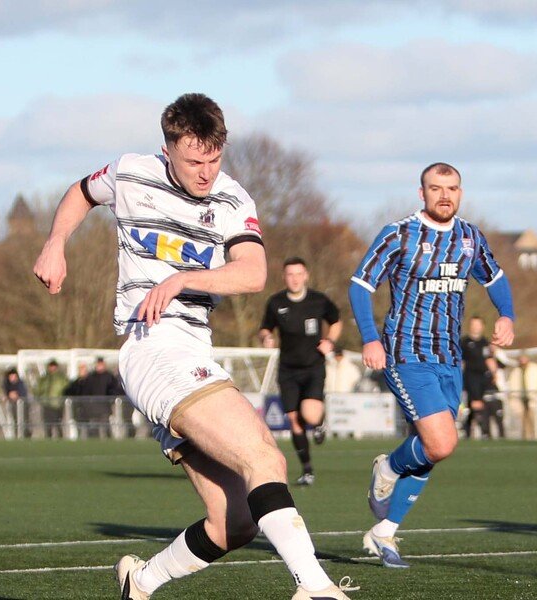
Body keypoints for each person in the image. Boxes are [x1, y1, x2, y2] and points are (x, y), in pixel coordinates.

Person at [31, 93, 351, 599]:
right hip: (153, 349)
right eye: (193, 162)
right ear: (167, 150)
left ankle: (141, 581)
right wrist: (55, 242)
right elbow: (81, 193)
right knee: (265, 458)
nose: (206, 173)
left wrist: (182, 278)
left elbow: (252, 273)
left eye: (214, 160)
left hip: (193, 352)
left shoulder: (232, 199)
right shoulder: (131, 173)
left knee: (234, 523)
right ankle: (313, 586)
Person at [350, 162, 515, 568]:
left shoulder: (469, 237)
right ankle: (388, 468)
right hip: (407, 353)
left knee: (430, 449)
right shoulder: (399, 234)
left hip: (449, 359)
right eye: (436, 188)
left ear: (461, 193)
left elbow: (495, 278)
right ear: (421, 193)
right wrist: (370, 337)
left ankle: (385, 532)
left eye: (452, 188)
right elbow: (360, 285)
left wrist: (506, 315)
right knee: (441, 442)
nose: (445, 195)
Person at [259, 257, 343, 486]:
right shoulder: (275, 302)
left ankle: (320, 422)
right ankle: (307, 471)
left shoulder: (319, 300)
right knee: (294, 420)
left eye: (298, 274)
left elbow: (336, 321)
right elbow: (265, 328)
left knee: (310, 415)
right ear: (284, 277)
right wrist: (266, 337)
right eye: (290, 274)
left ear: (306, 276)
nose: (294, 279)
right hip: (287, 369)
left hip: (313, 367)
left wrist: (330, 341)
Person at [459, 316, 497, 439]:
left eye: (478, 324)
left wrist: (494, 374)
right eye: (474, 324)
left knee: (485, 405)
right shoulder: (464, 342)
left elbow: (489, 359)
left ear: (482, 326)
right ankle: (467, 432)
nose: (476, 327)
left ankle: (485, 432)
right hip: (470, 378)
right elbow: (461, 362)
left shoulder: (485, 343)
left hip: (484, 379)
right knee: (472, 405)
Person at [506, 352, 537, 440]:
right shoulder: (516, 371)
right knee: (524, 424)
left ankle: (535, 439)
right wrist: (513, 399)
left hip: (533, 399)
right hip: (520, 401)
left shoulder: (536, 369)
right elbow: (511, 386)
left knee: (534, 422)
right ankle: (525, 440)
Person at [33, 359, 69, 438]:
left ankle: (60, 439)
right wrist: (40, 399)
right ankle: (48, 440)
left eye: (54, 366)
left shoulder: (61, 378)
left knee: (58, 424)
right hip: (46, 405)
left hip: (57, 405)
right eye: (51, 366)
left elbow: (67, 389)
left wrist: (61, 399)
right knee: (47, 425)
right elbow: (37, 390)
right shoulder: (44, 379)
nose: (52, 368)